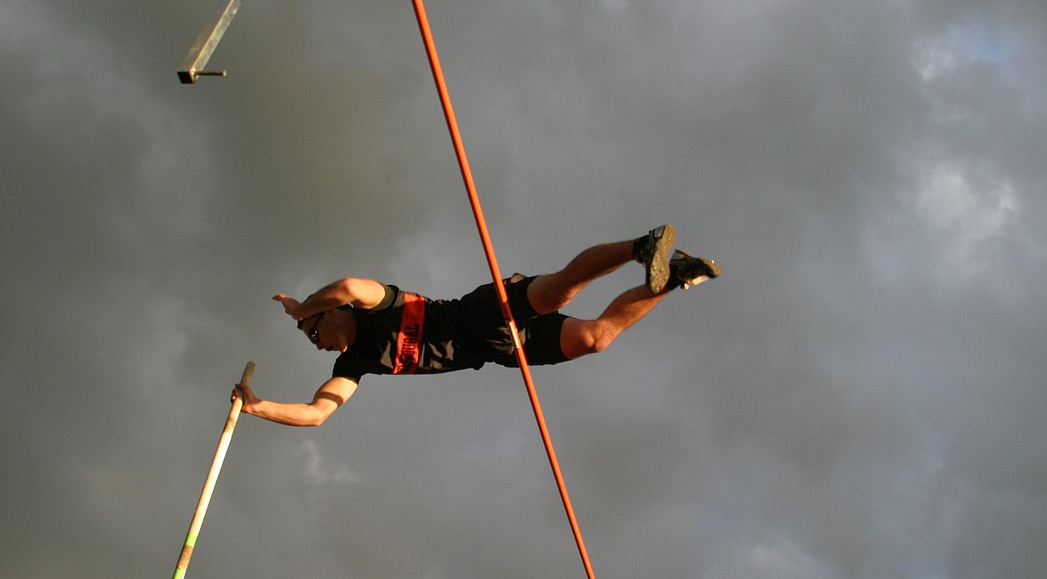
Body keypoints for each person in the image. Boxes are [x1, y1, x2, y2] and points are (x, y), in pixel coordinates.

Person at [233, 225, 719, 426]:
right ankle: (673, 277)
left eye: (313, 333)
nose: (316, 345)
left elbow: (349, 284)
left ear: (329, 313)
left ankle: (643, 246)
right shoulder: (356, 362)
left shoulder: (374, 306)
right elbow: (317, 413)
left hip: (479, 314)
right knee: (597, 338)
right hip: (503, 350)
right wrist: (257, 408)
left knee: (560, 290)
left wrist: (299, 310)